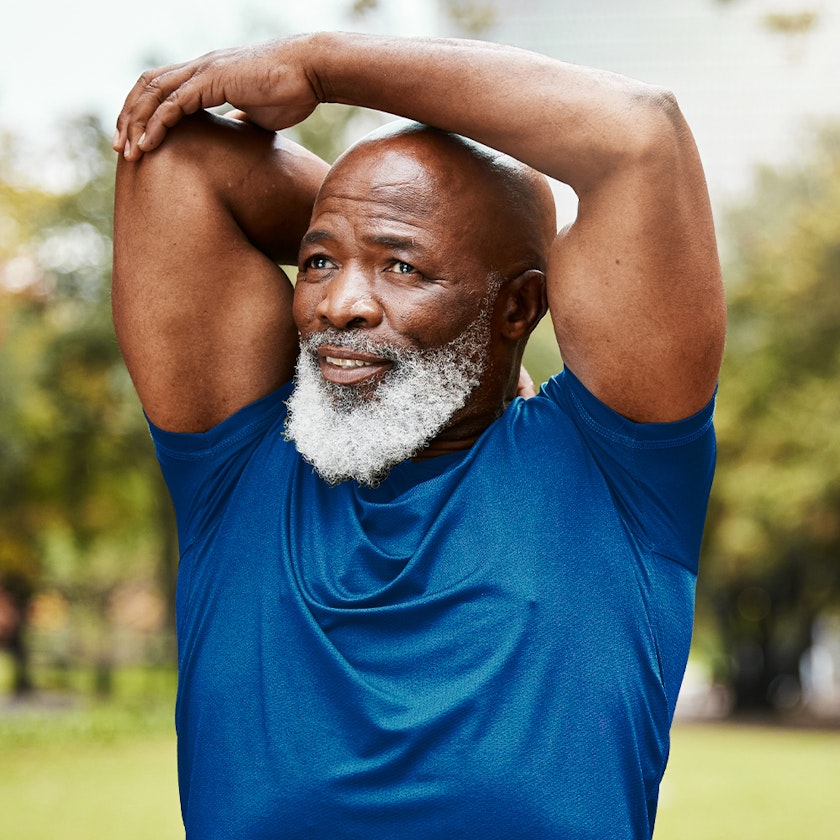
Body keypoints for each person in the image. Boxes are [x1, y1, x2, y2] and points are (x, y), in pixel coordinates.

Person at [112, 32, 726, 840]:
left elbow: (637, 133)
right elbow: (173, 150)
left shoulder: (614, 475)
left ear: (518, 306)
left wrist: (320, 67)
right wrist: (384, 214)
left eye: (402, 269)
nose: (340, 306)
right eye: (319, 262)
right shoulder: (238, 467)